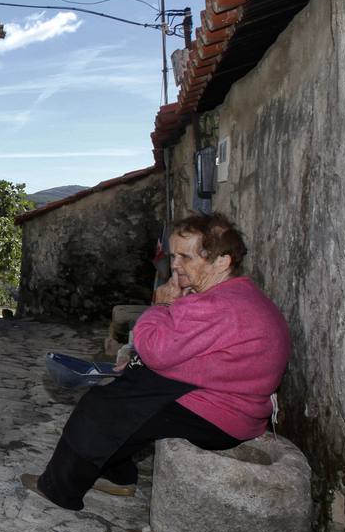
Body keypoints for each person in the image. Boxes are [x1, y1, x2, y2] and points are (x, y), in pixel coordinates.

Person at [22, 212, 290, 511]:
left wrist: (161, 305)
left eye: (186, 257)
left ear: (221, 262)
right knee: (129, 392)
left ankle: (59, 489)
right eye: (174, 256)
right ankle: (117, 477)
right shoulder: (237, 295)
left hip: (220, 416)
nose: (175, 265)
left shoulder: (216, 305)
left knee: (102, 407)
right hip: (234, 406)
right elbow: (195, 356)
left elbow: (155, 351)